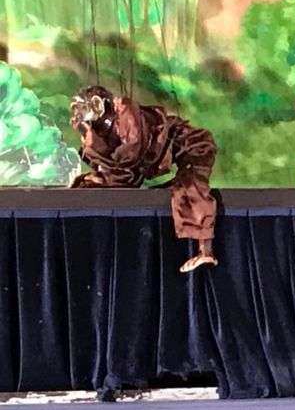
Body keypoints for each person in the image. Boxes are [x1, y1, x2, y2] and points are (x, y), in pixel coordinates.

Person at [69, 86, 218, 272]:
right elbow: (117, 168)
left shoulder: (124, 110)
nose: (84, 113)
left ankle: (205, 251)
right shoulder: (100, 130)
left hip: (185, 145)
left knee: (190, 186)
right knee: (89, 184)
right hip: (143, 163)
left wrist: (94, 144)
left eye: (88, 107)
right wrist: (91, 143)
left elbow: (132, 151)